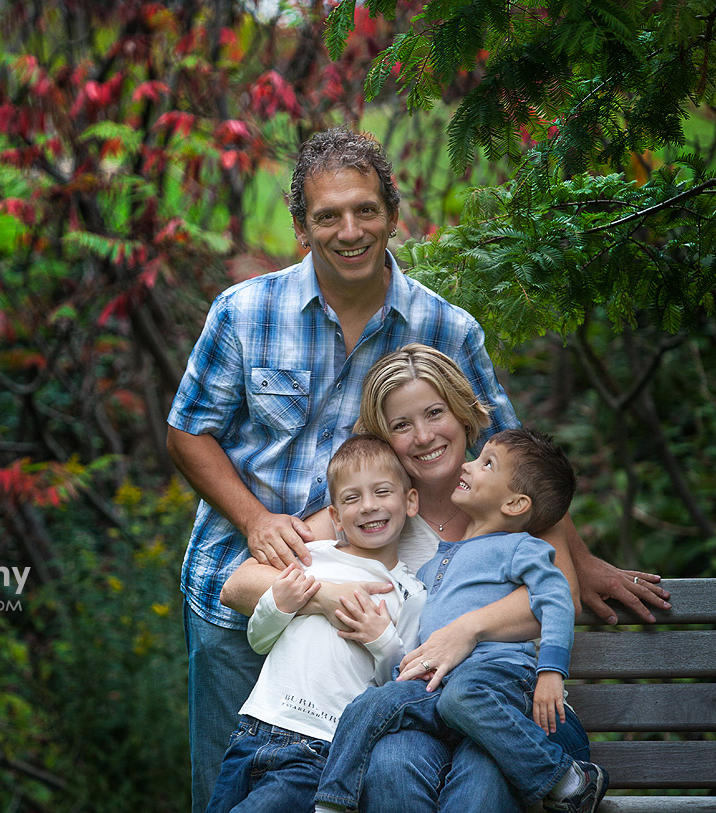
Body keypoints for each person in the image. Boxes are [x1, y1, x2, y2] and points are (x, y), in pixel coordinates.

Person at [166, 127, 668, 812]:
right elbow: (188, 430)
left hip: (369, 612)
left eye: (365, 209)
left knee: (339, 774)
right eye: (328, 215)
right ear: (300, 227)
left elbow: (515, 464)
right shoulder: (245, 311)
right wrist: (255, 520)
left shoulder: (444, 327)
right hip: (248, 580)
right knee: (234, 790)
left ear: (393, 214)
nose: (350, 229)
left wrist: (579, 561)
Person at [313, 428, 610, 813]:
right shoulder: (436, 561)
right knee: (372, 703)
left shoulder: (520, 547)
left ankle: (567, 781)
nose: (469, 465)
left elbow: (555, 598)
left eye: (487, 463)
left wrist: (552, 669)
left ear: (515, 504)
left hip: (499, 680)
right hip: (441, 688)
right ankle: (333, 803)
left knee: (461, 697)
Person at [206, 435, 428, 813]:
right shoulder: (311, 560)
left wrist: (381, 639)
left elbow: (398, 685)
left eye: (382, 492)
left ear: (410, 501)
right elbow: (260, 641)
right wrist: (281, 603)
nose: (369, 506)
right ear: (336, 517)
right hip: (255, 727)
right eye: (352, 498)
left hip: (319, 745)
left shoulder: (410, 593)